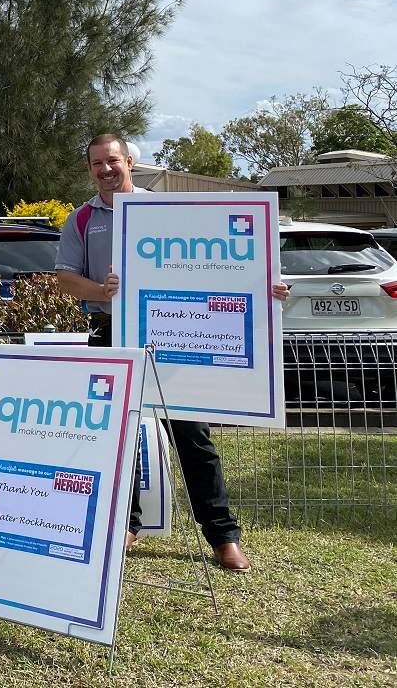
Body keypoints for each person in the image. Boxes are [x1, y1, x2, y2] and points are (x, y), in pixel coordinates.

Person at [55, 133, 289, 572]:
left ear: (129, 162)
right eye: (97, 163)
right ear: (89, 169)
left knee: (192, 436)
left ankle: (223, 536)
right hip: (111, 335)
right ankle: (126, 524)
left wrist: (264, 285)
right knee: (115, 437)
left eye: (113, 161)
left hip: (175, 340)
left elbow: (214, 266)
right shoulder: (82, 219)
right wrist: (101, 290)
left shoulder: (166, 209)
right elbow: (65, 278)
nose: (106, 169)